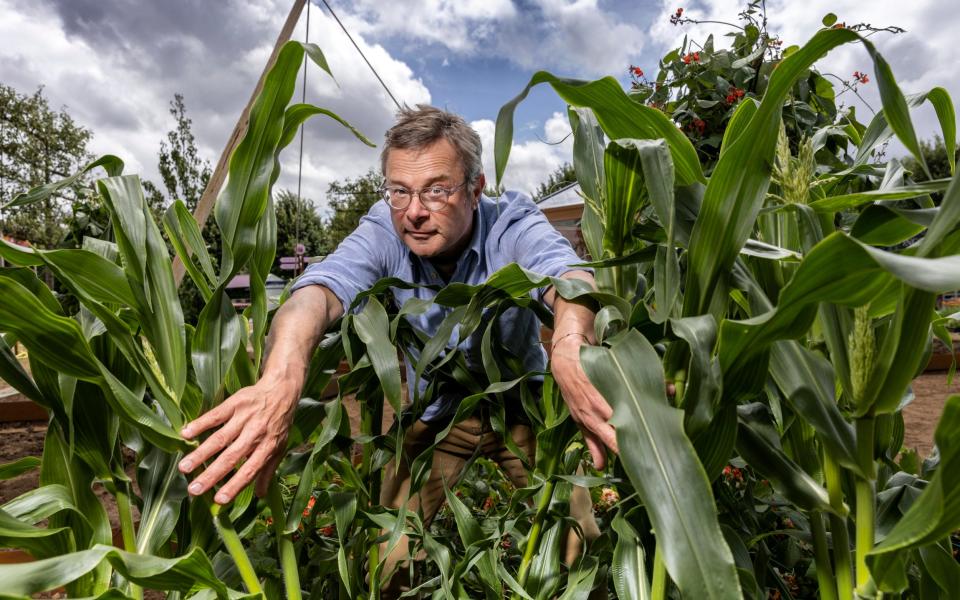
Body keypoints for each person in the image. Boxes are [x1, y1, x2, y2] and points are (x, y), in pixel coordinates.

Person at [177, 105, 616, 594]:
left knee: (578, 545)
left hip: (525, 409)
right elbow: (317, 292)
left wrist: (571, 342)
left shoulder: (512, 221)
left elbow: (567, 277)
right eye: (399, 190)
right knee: (388, 557)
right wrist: (281, 376)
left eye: (436, 189)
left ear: (475, 188)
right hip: (440, 415)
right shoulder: (386, 229)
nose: (414, 211)